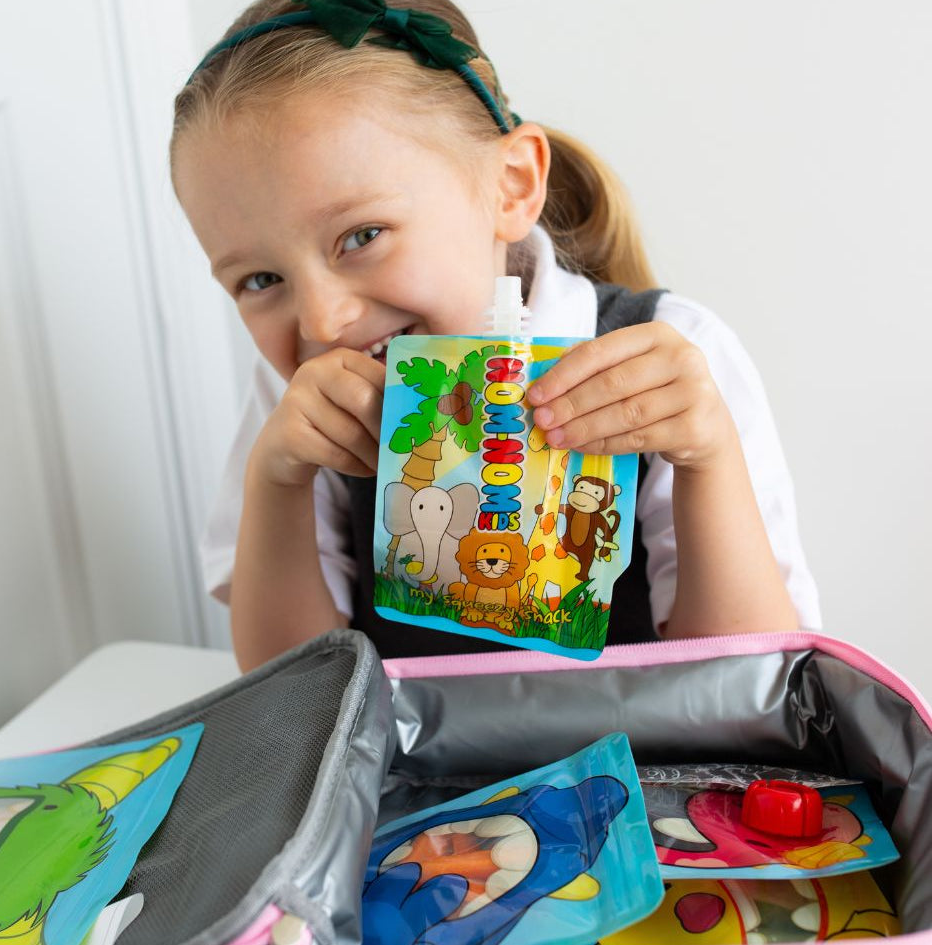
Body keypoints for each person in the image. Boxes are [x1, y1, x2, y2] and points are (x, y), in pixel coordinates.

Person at [171, 0, 821, 672]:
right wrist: (277, 480)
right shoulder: (294, 404)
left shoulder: (678, 356)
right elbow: (287, 700)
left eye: (361, 237)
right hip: (416, 775)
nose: (322, 322)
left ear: (511, 187)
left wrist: (707, 459)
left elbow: (753, 681)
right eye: (260, 279)